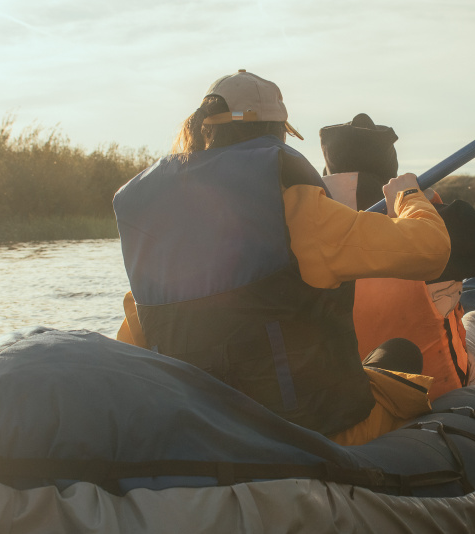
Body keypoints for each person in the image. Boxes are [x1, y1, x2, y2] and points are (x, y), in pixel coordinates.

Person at [112, 71, 452, 446]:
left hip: (206, 441)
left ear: (206, 132)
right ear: (277, 133)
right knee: (401, 353)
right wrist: (408, 196)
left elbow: (131, 347)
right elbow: (432, 249)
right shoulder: (297, 205)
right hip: (314, 437)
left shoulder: (156, 237)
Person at [320, 114, 475, 398]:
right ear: (391, 171)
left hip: (346, 398)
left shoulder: (303, 233)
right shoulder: (433, 226)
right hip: (440, 392)